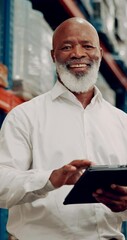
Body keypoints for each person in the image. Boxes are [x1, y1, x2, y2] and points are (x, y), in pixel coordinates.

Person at [0, 17, 127, 240]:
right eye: (66, 47)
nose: (78, 53)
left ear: (99, 51)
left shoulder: (121, 122)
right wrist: (50, 179)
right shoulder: (24, 117)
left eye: (87, 46)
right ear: (53, 56)